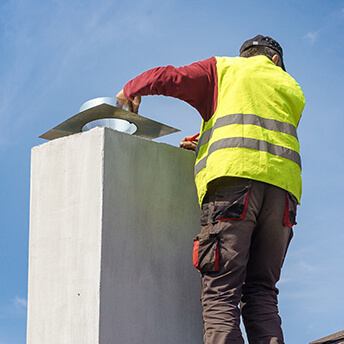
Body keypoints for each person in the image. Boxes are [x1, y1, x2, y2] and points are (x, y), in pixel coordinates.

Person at [116, 34, 305, 344]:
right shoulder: (292, 88)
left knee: (221, 293)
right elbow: (257, 132)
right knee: (262, 292)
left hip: (232, 191)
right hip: (283, 198)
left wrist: (131, 88)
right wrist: (203, 140)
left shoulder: (224, 70)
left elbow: (170, 77)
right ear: (275, 60)